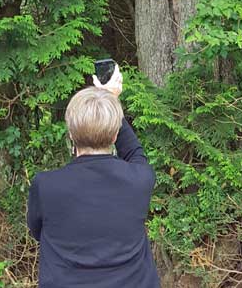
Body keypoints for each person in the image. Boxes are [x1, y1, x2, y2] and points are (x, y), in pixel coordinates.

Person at [27, 65, 160, 288]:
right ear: (116, 133)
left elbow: (36, 230)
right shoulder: (139, 179)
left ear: (70, 134)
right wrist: (110, 99)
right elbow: (134, 152)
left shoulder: (46, 185)